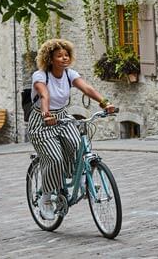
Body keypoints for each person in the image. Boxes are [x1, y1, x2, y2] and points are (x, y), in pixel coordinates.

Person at [28, 39, 115, 220]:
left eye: (66, 55)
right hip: (42, 121)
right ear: (50, 59)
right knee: (54, 158)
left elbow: (87, 88)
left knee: (77, 146)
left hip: (62, 116)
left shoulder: (69, 74)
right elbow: (44, 95)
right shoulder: (40, 76)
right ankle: (46, 198)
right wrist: (46, 114)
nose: (64, 58)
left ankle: (83, 181)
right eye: (59, 56)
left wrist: (105, 103)